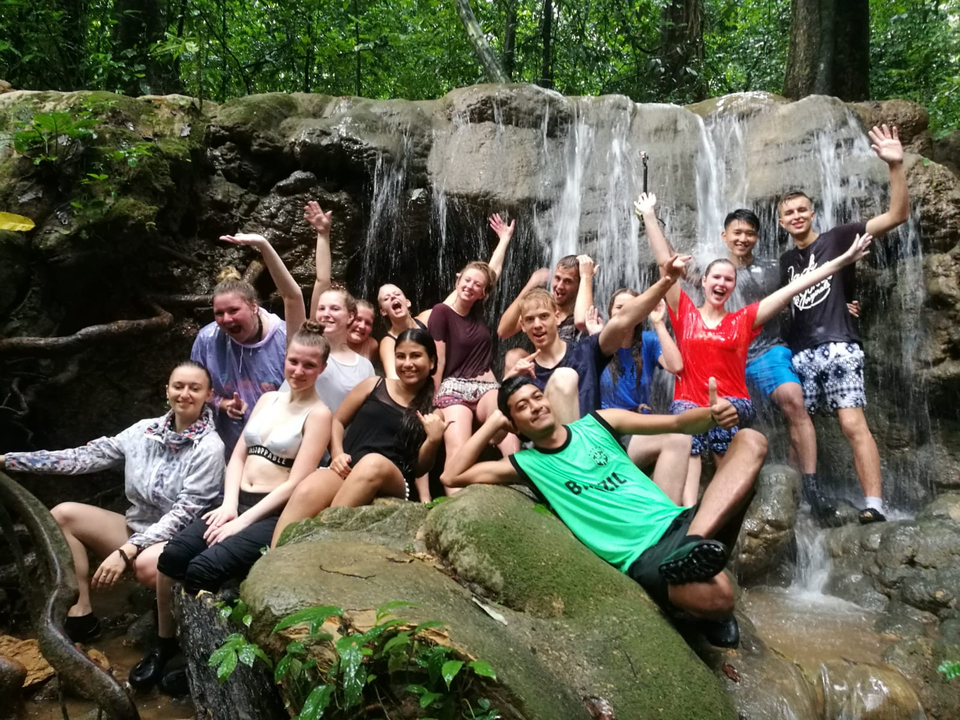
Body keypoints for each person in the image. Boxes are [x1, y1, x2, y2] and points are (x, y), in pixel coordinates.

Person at [440, 375, 768, 648]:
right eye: (522, 408)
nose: (536, 407)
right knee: (722, 596)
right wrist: (494, 422)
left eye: (537, 397)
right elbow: (451, 476)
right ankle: (702, 603)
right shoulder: (526, 465)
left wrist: (712, 415)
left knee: (751, 440)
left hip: (681, 522)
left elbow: (679, 422)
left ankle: (693, 547)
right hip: (643, 555)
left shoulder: (598, 422)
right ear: (515, 424)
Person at [132, 321, 332, 693]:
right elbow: (238, 453)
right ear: (285, 361)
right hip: (235, 500)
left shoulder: (319, 414)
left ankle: (205, 661)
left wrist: (242, 521)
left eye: (309, 365)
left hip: (270, 512)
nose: (299, 371)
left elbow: (296, 483)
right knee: (172, 557)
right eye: (293, 362)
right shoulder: (269, 399)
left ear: (321, 368)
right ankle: (165, 643)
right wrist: (227, 506)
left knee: (203, 569)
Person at [637, 193, 874, 491]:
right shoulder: (684, 312)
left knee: (726, 429)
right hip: (691, 406)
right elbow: (665, 263)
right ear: (702, 281)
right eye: (716, 278)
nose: (722, 284)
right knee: (688, 436)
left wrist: (841, 261)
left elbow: (797, 287)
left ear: (735, 285)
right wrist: (648, 214)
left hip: (734, 398)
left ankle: (763, 493)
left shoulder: (742, 319)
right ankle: (683, 510)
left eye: (728, 280)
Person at [0, 361, 224, 643]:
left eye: (195, 388)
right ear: (167, 390)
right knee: (63, 515)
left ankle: (171, 637)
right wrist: (8, 460)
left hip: (180, 544)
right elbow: (81, 457)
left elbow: (185, 514)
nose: (185, 394)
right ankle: (81, 615)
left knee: (146, 564)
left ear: (209, 395)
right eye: (178, 386)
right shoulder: (144, 431)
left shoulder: (209, 448)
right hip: (137, 531)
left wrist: (127, 551)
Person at [778, 124, 910, 524]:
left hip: (839, 344)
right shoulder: (785, 263)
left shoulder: (839, 237)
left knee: (853, 423)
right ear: (781, 222)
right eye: (788, 213)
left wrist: (896, 165)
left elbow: (897, 215)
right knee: (797, 426)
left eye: (802, 210)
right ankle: (797, 500)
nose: (796, 216)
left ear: (812, 212)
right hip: (801, 353)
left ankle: (874, 504)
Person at [271, 328, 448, 544]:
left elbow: (420, 468)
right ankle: (274, 556)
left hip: (396, 479)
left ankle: (317, 543)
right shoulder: (374, 384)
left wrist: (433, 440)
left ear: (431, 362)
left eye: (415, 356)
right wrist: (337, 454)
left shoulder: (434, 412)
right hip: (349, 467)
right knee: (308, 489)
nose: (407, 363)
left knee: (372, 464)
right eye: (401, 356)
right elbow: (337, 421)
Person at [504, 253, 690, 425]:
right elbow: (505, 429)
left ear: (556, 317)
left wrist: (667, 280)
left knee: (678, 440)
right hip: (551, 450)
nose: (537, 325)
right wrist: (509, 381)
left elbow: (622, 320)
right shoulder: (525, 370)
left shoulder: (586, 351)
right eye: (530, 320)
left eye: (544, 317)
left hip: (596, 439)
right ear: (522, 325)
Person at [192, 230, 308, 457]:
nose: (226, 319)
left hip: (279, 450)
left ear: (254, 306)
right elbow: (193, 388)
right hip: (226, 449)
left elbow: (293, 297)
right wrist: (223, 403)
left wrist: (264, 246)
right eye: (219, 313)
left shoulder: (286, 338)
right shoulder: (207, 340)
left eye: (234, 310)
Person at [428, 215, 517, 475]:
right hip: (453, 387)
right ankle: (455, 501)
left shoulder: (478, 311)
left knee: (509, 428)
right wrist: (433, 399)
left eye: (477, 284)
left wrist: (504, 240)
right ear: (458, 281)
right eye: (466, 280)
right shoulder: (441, 312)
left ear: (483, 292)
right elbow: (438, 359)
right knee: (457, 445)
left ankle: (524, 484)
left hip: (486, 386)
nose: (470, 286)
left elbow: (493, 271)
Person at [589, 291, 693, 505]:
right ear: (610, 312)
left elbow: (676, 366)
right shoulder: (598, 343)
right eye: (619, 307)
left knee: (681, 437)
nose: (627, 311)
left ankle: (668, 518)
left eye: (633, 306)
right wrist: (594, 338)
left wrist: (658, 324)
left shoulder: (649, 341)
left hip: (638, 427)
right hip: (607, 431)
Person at [377, 283, 430, 378]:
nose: (393, 297)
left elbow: (454, 303)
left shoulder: (426, 319)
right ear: (383, 312)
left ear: (407, 302)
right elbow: (393, 377)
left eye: (397, 294)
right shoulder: (388, 342)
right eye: (386, 298)